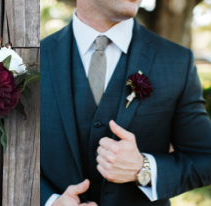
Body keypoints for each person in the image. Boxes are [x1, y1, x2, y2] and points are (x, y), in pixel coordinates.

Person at [40, 0, 211, 205]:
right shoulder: (33, 59)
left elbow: (205, 159)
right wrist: (50, 202)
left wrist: (143, 169)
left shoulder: (177, 61)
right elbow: (12, 156)